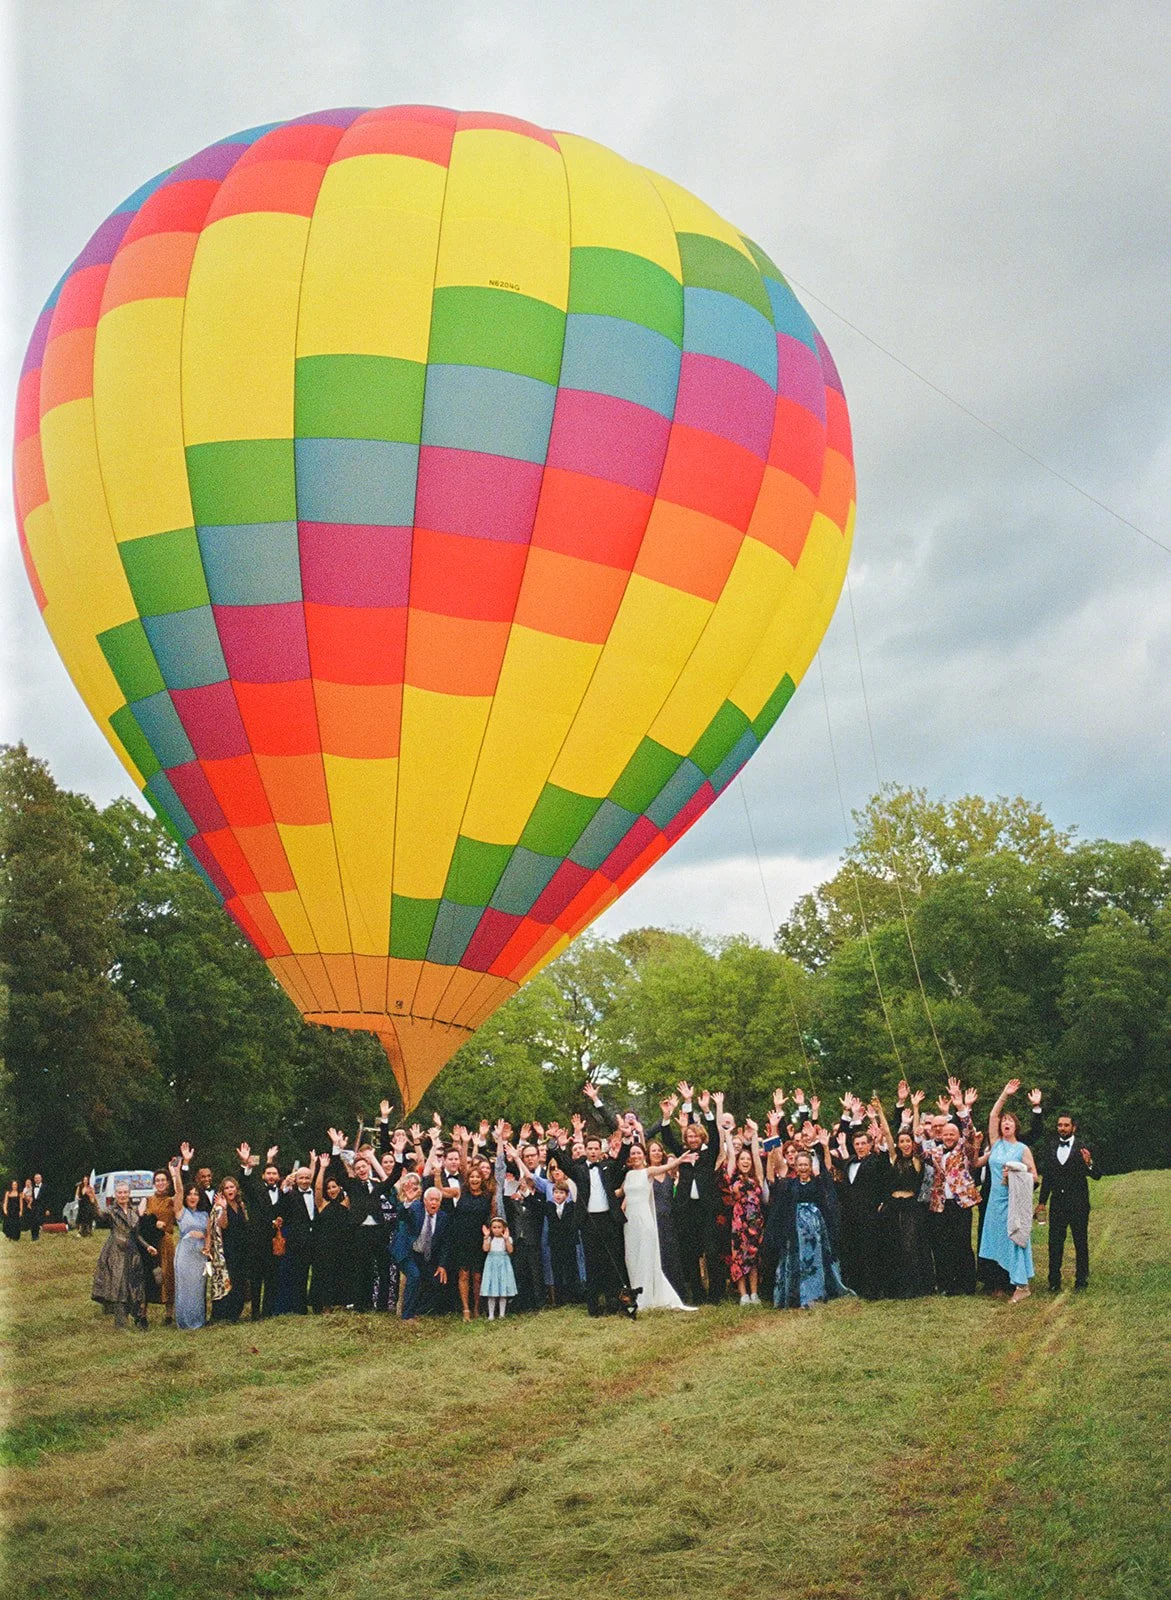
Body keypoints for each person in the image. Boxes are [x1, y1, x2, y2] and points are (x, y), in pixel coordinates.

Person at [765, 1149, 853, 1309]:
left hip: (814, 1232)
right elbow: (774, 1181)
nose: (803, 1168)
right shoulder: (789, 1184)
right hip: (793, 1230)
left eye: (806, 1164)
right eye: (800, 1165)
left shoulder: (818, 1183)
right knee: (794, 1260)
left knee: (814, 1261)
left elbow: (825, 1204)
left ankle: (814, 1295)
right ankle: (794, 1296)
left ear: (811, 1166)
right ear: (796, 1166)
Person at [977, 1080, 1039, 1303]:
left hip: (1013, 1201)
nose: (1005, 1123)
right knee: (995, 1241)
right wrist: (1005, 1093)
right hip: (994, 1201)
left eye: (1010, 1121)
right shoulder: (995, 1144)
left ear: (1016, 1126)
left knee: (1014, 1238)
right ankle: (999, 1282)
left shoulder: (1022, 1149)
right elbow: (993, 1115)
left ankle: (1022, 1285)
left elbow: (1034, 1176)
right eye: (1004, 1121)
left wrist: (1014, 1175)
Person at [619, 1143, 697, 1312]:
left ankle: (647, 1297)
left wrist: (681, 1159)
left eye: (638, 1152)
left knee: (646, 1257)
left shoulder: (648, 1172)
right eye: (633, 1153)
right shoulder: (629, 1175)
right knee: (632, 1257)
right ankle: (636, 1295)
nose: (636, 1156)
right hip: (630, 1221)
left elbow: (667, 1166)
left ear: (643, 1155)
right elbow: (621, 1193)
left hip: (644, 1219)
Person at [874, 1103, 935, 1298]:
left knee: (910, 1246)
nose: (905, 1144)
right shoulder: (894, 1158)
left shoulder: (917, 1160)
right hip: (893, 1206)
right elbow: (888, 1135)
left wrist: (916, 1109)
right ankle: (895, 1287)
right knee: (893, 1245)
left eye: (907, 1141)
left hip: (911, 1207)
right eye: (902, 1141)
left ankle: (914, 1287)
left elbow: (917, 1136)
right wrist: (880, 1112)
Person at [1037, 1112, 1099, 1292]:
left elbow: (1097, 1175)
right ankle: (1054, 1281)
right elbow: (1047, 1177)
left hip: (1078, 1203)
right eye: (1059, 1125)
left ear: (1073, 1127)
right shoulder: (1050, 1147)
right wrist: (1042, 1202)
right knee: (1055, 1243)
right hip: (1057, 1204)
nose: (1062, 1128)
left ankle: (1081, 1281)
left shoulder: (1084, 1147)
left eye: (1065, 1125)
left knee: (1080, 1242)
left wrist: (1089, 1164)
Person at [721, 1123, 768, 1305]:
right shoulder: (732, 1177)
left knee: (754, 1258)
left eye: (747, 1159)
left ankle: (754, 1293)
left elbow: (756, 1154)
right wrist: (727, 1134)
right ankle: (743, 1295)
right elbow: (731, 1154)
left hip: (755, 1222)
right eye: (743, 1160)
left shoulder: (757, 1177)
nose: (746, 1161)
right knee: (739, 1258)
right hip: (739, 1223)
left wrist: (756, 1133)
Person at [91, 1179, 149, 1329]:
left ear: (129, 1194)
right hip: (115, 1255)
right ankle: (120, 1324)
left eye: (125, 1192)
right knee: (118, 1288)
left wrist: (147, 1246)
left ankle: (138, 1318)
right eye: (119, 1192)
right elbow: (99, 1216)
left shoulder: (133, 1212)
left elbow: (137, 1235)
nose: (122, 1195)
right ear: (115, 1195)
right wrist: (93, 1200)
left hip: (133, 1254)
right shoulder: (111, 1212)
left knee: (135, 1287)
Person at [238, 1142, 284, 1319]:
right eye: (269, 1173)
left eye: (275, 1174)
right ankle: (255, 1312)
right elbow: (244, 1181)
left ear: (278, 1177)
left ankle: (268, 1311)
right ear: (263, 1175)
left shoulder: (283, 1192)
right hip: (257, 1242)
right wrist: (246, 1165)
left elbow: (284, 1211)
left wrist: (281, 1219)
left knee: (272, 1279)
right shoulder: (255, 1190)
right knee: (256, 1279)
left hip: (274, 1242)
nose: (272, 1177)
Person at [448, 1156, 492, 1320]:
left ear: (482, 1179)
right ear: (468, 1179)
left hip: (479, 1240)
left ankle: (476, 1308)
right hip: (461, 1239)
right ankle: (465, 1309)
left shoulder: (488, 1196)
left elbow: (492, 1216)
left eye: (477, 1177)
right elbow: (440, 1190)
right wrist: (438, 1174)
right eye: (472, 1176)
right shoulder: (460, 1192)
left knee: (478, 1276)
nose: (474, 1179)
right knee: (463, 1274)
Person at [168, 1161, 210, 1331]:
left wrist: (207, 1249)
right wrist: (176, 1173)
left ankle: (198, 1321)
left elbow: (209, 1235)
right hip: (185, 1254)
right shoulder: (181, 1211)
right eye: (190, 1194)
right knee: (184, 1287)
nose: (193, 1197)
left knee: (198, 1288)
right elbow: (178, 1192)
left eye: (196, 1194)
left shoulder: (205, 1214)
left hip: (200, 1254)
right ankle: (184, 1322)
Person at [311, 1155, 354, 1312]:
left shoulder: (346, 1203)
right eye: (328, 1188)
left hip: (343, 1245)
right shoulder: (322, 1204)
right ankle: (325, 1306)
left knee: (342, 1273)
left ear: (339, 1187)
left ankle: (342, 1304)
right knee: (326, 1275)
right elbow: (317, 1188)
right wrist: (321, 1168)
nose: (331, 1190)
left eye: (334, 1187)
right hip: (325, 1245)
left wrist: (346, 1163)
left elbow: (352, 1184)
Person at [276, 1164, 317, 1314]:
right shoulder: (290, 1195)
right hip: (298, 1241)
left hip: (315, 1239)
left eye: (307, 1178)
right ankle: (299, 1307)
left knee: (316, 1273)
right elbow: (281, 1205)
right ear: (296, 1179)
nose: (305, 1181)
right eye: (301, 1178)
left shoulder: (317, 1193)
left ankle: (316, 1303)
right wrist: (286, 1185)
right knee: (299, 1274)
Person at [140, 1170, 178, 1323]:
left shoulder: (171, 1200)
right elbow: (140, 1220)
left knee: (168, 1274)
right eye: (158, 1180)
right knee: (148, 1275)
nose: (161, 1183)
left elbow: (180, 1193)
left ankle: (169, 1314)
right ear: (154, 1183)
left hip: (166, 1241)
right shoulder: (147, 1200)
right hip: (150, 1241)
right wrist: (153, 1223)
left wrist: (176, 1174)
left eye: (164, 1180)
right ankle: (143, 1314)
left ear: (168, 1183)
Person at [209, 1176, 249, 1322]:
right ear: (222, 1191)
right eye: (226, 1188)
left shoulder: (241, 1205)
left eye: (232, 1187)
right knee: (228, 1280)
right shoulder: (220, 1206)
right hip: (228, 1248)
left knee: (240, 1280)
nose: (230, 1190)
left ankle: (236, 1312)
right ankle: (223, 1314)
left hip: (242, 1248)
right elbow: (223, 1225)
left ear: (236, 1189)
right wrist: (224, 1208)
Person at [480, 1216, 518, 1318]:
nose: (497, 1230)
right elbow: (485, 1249)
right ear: (491, 1228)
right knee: (492, 1290)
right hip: (492, 1264)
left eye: (499, 1227)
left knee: (503, 1289)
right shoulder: (490, 1238)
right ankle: (491, 1315)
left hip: (503, 1264)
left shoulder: (507, 1239)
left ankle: (502, 1314)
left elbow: (510, 1250)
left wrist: (506, 1239)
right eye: (494, 1227)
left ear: (504, 1228)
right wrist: (486, 1238)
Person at [27, 1173, 47, 1240]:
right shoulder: (32, 1187)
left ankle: (37, 1234)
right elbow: (31, 1197)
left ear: (41, 1179)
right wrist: (29, 1204)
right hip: (34, 1207)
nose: (37, 1179)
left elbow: (48, 1199)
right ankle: (34, 1236)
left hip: (42, 1207)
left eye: (38, 1178)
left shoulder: (45, 1187)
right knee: (33, 1221)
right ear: (34, 1179)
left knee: (38, 1220)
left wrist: (47, 1209)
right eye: (36, 1178)